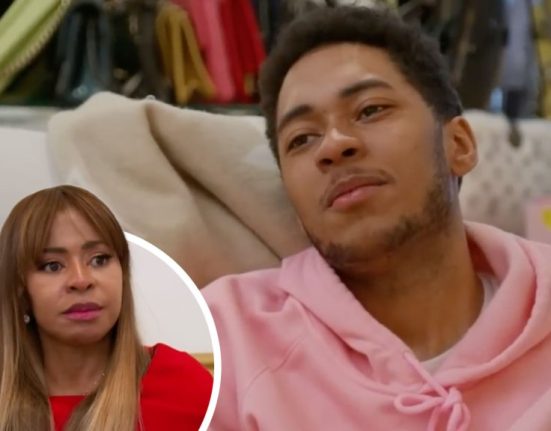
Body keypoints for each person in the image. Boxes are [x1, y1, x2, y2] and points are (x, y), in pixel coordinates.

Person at [202, 6, 551, 431]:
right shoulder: (226, 338)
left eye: (370, 110)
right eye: (302, 138)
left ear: (458, 145)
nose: (333, 145)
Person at [0, 185, 213, 431]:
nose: (81, 280)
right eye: (52, 266)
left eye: (99, 259)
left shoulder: (185, 386)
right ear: (19, 287)